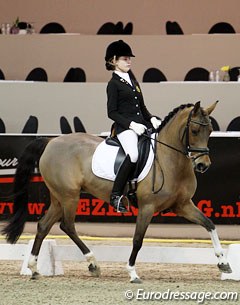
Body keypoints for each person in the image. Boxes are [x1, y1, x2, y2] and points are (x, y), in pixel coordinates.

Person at [105, 40, 161, 213]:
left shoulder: (133, 81)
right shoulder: (113, 84)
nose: (129, 61)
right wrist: (131, 125)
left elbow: (142, 107)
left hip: (142, 125)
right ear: (113, 60)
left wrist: (151, 119)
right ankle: (116, 195)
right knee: (134, 154)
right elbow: (112, 112)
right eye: (124, 59)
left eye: (130, 59)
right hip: (125, 128)